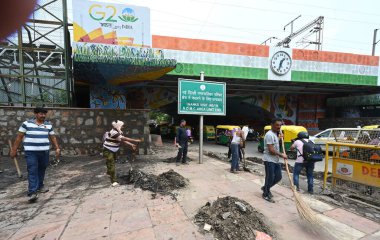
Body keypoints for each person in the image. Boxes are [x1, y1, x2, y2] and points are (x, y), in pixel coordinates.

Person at [10, 107, 60, 202]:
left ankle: (40, 186)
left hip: (44, 152)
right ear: (36, 114)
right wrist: (14, 150)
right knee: (32, 170)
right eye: (41, 114)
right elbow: (19, 137)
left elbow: (53, 137)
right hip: (31, 152)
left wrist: (57, 148)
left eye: (44, 114)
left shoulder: (48, 125)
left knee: (42, 169)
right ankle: (32, 192)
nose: (43, 116)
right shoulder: (26, 124)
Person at [103, 120, 141, 186]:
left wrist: (131, 144)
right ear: (118, 126)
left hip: (113, 150)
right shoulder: (114, 132)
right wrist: (135, 140)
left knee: (111, 162)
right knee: (111, 164)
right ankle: (113, 181)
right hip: (108, 150)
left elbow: (122, 140)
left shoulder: (119, 132)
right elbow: (124, 138)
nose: (123, 127)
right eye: (122, 126)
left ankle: (109, 172)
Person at [262, 118, 287, 203]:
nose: (279, 127)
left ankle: (266, 187)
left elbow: (275, 145)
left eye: (280, 125)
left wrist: (280, 138)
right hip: (269, 159)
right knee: (270, 177)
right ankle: (265, 194)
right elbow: (271, 150)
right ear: (272, 125)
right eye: (277, 125)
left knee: (278, 176)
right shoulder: (269, 135)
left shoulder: (275, 134)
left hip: (275, 160)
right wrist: (282, 154)